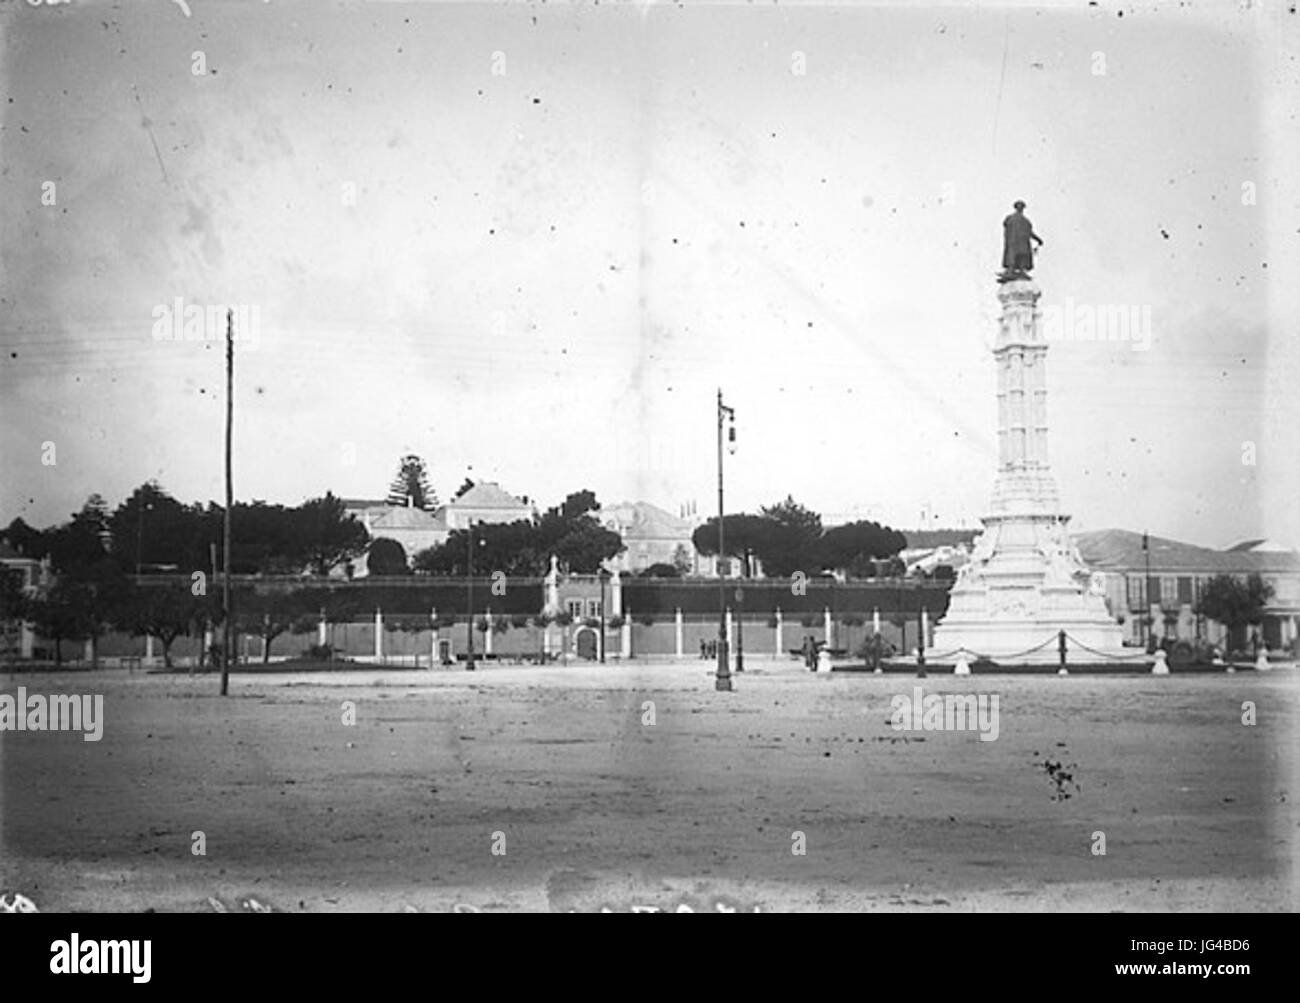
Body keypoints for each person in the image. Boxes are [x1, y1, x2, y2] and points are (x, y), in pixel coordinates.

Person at [1001, 200, 1044, 279]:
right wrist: (1038, 240)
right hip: (1016, 243)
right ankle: (1014, 271)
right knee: (1017, 257)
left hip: (1017, 243)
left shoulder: (1024, 221)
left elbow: (1029, 233)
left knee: (1019, 257)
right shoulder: (1014, 219)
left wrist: (1038, 239)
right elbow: (1005, 225)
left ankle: (1017, 271)